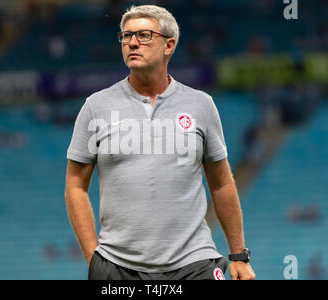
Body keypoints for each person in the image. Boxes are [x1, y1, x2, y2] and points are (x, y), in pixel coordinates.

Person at [64, 5, 256, 280]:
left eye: (143, 35)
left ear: (169, 45)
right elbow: (75, 187)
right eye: (125, 36)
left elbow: (222, 182)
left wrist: (238, 255)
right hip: (118, 267)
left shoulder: (201, 105)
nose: (131, 42)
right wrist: (93, 258)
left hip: (195, 263)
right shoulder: (96, 106)